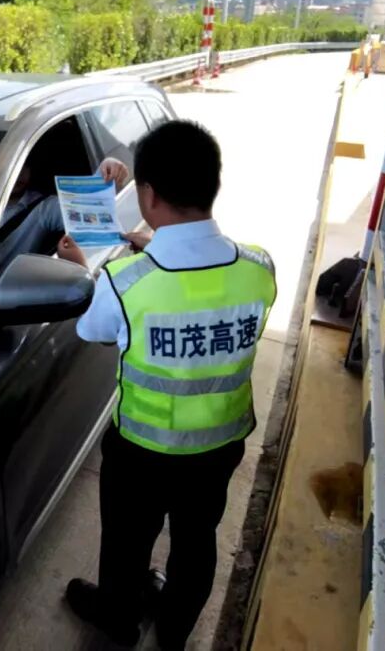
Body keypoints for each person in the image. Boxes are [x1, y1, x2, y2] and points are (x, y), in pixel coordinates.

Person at [56, 119, 276, 650]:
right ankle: (175, 631)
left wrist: (84, 268)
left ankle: (118, 619)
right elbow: (202, 296)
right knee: (197, 542)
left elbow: (94, 328)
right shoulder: (260, 267)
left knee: (128, 544)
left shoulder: (126, 281)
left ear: (148, 196)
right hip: (220, 446)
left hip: (143, 452)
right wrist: (156, 247)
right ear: (210, 186)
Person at [0, 156, 129, 280]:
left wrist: (107, 166)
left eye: (24, 166)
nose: (19, 174)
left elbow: (88, 212)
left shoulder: (43, 207)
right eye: (12, 167)